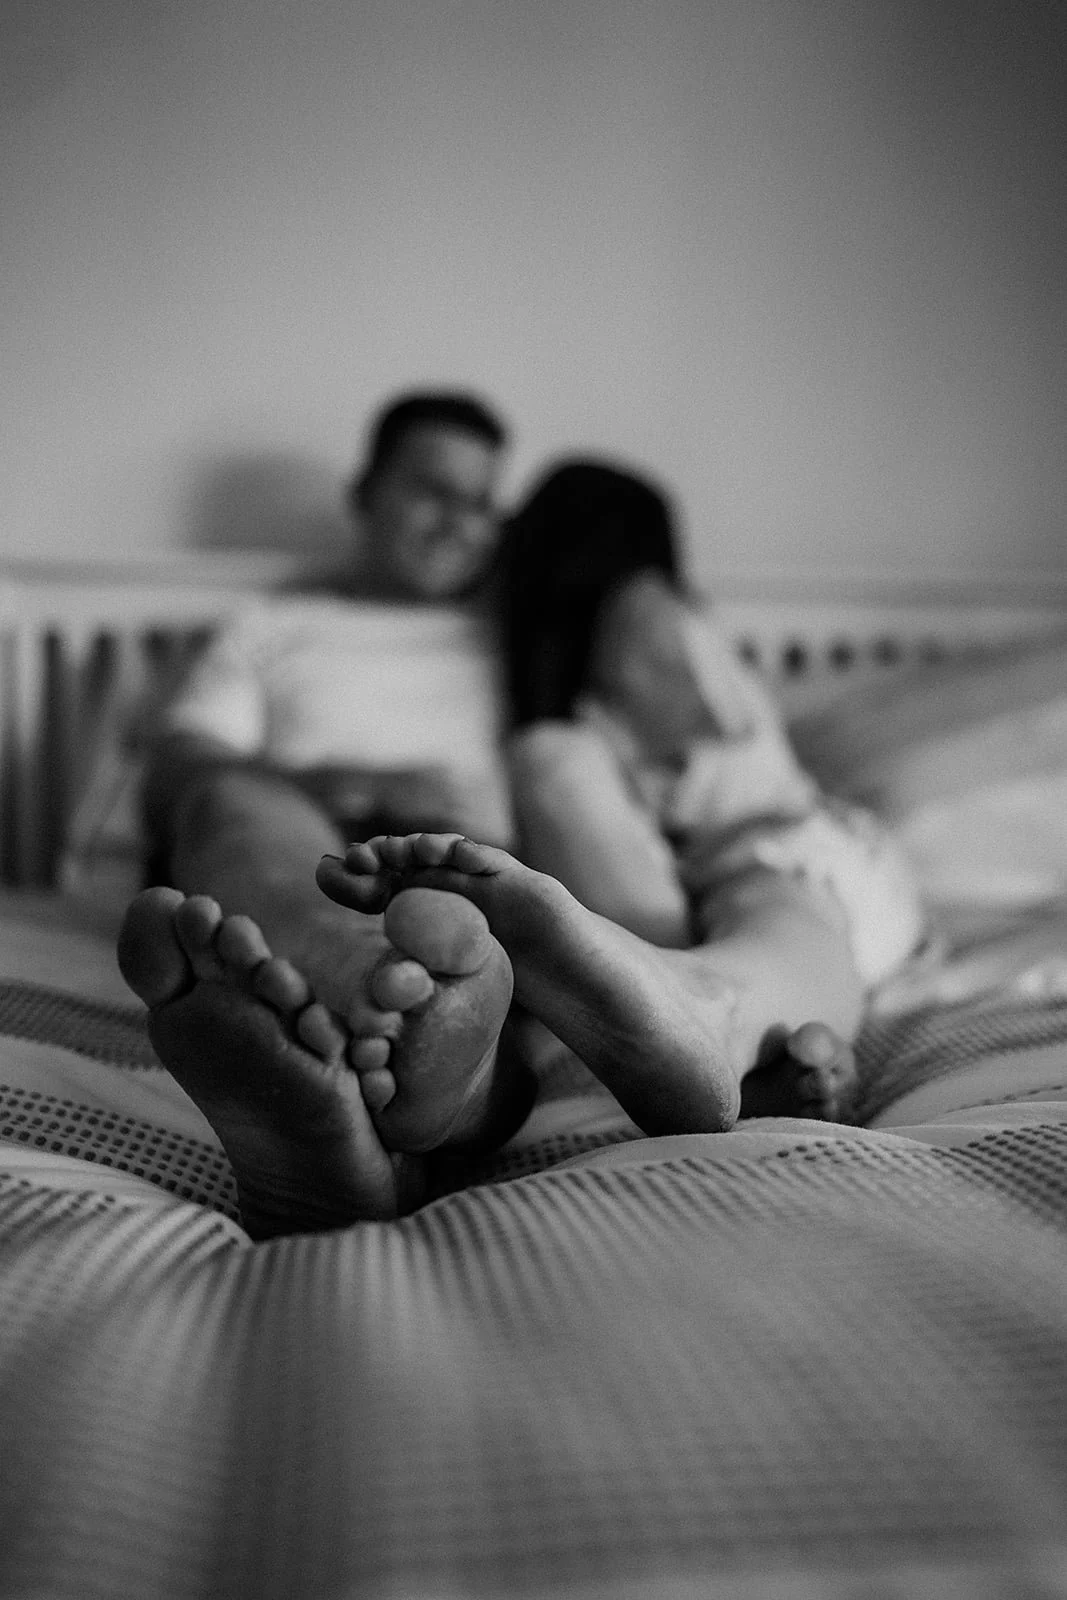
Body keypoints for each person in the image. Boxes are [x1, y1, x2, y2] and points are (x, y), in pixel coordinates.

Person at [118, 437, 921, 1239]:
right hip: (311, 852)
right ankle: (348, 1009)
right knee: (237, 808)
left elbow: (704, 771)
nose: (460, 524)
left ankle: (382, 1094)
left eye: (482, 507)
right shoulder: (275, 629)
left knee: (475, 943)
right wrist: (360, 788)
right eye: (432, 490)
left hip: (485, 883)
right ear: (363, 492)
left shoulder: (545, 629)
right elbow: (183, 772)